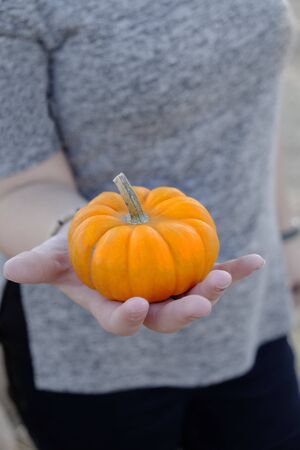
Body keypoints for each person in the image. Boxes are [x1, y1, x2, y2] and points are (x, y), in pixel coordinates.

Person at [0, 1, 300, 449]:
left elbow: (255, 95)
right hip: (94, 359)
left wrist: (285, 230)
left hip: (251, 314)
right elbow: (18, 183)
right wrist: (77, 237)